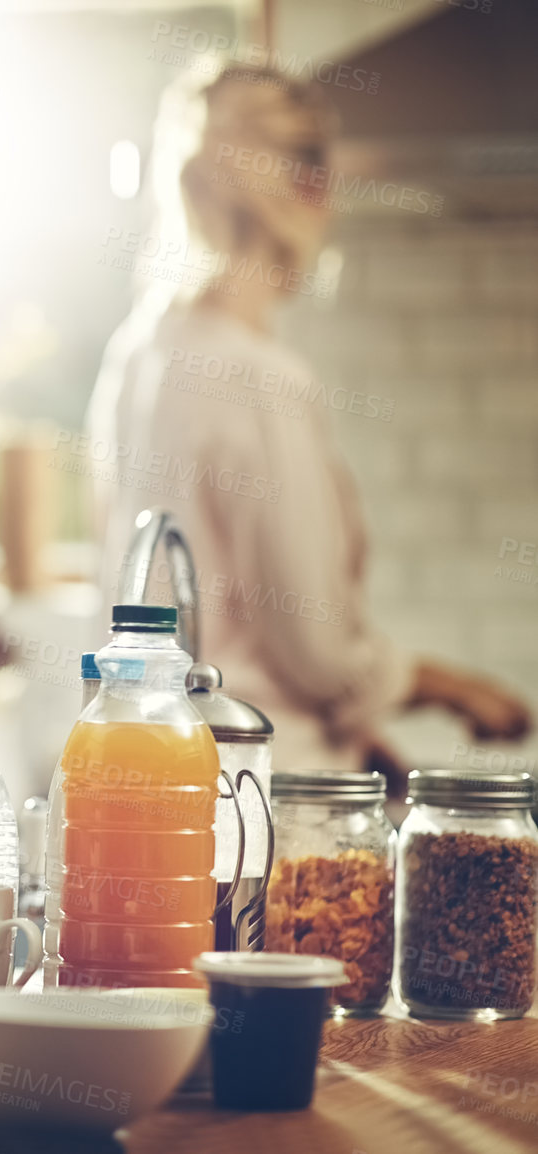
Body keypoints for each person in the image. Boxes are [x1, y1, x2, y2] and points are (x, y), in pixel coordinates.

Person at [87, 64, 529, 778]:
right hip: (259, 788)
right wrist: (448, 685)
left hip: (155, 769)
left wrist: (368, 746)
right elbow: (315, 649)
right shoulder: (260, 376)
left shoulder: (136, 353)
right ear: (313, 187)